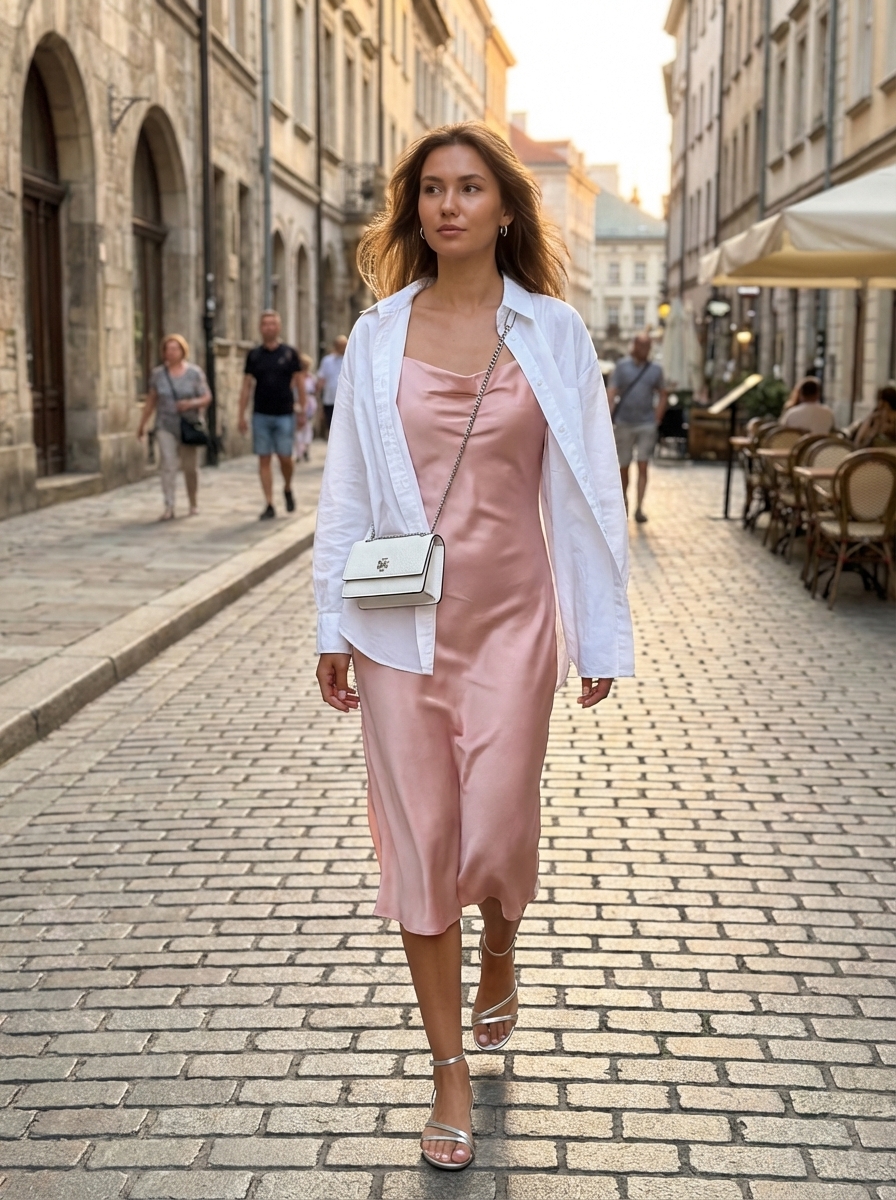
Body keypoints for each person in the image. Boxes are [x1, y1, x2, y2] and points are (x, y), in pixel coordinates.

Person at [313, 121, 633, 1171]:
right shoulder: (376, 336)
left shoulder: (551, 332)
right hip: (400, 629)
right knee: (421, 850)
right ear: (416, 212)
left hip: (511, 622)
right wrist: (331, 625)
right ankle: (447, 1071)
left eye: (469, 188)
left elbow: (584, 493)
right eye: (432, 191)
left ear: (503, 208)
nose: (448, 206)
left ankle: (500, 942)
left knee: (496, 828)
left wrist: (596, 630)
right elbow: (348, 490)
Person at [137, 334, 211, 521]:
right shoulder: (158, 375)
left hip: (188, 425)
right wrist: (142, 424)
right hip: (165, 424)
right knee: (168, 465)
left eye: (175, 348)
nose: (171, 352)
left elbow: (206, 397)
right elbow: (152, 400)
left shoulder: (194, 373)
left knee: (189, 467)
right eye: (168, 349)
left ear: (182, 350)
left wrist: (190, 403)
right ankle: (169, 505)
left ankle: (193, 502)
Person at [238, 311, 302, 520]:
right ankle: (269, 503)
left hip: (284, 412)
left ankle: (287, 487)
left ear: (279, 327)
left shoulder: (290, 353)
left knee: (285, 457)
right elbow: (247, 386)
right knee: (263, 458)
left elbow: (299, 382)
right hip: (261, 414)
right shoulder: (254, 355)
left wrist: (302, 406)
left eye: (272, 324)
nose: (269, 328)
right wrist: (241, 414)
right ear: (260, 327)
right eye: (265, 324)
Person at [606, 333, 667, 523]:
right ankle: (624, 502)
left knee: (643, 464)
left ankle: (639, 507)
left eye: (647, 347)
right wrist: (607, 418)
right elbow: (611, 393)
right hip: (624, 423)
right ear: (634, 346)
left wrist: (657, 418)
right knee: (623, 466)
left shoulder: (655, 369)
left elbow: (663, 393)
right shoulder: (622, 367)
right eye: (641, 346)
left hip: (646, 424)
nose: (644, 350)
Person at [317, 335, 348, 438]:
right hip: (330, 399)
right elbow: (322, 378)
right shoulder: (327, 361)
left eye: (344, 345)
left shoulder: (351, 359)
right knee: (332, 426)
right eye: (340, 345)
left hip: (346, 400)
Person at [293, 353, 318, 462]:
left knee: (306, 426)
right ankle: (301, 451)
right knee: (300, 427)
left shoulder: (311, 377)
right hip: (299, 402)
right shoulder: (296, 378)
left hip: (309, 403)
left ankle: (304, 449)